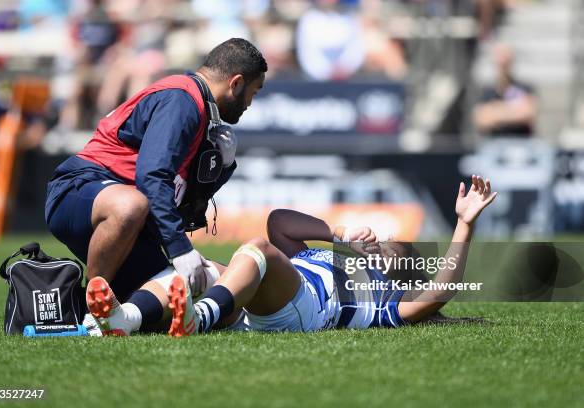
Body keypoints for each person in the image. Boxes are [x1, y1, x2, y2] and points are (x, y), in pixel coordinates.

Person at [84, 175, 496, 336]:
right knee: (201, 270)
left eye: (393, 249)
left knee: (258, 252)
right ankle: (124, 319)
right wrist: (340, 235)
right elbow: (279, 221)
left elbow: (440, 292)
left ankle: (201, 318)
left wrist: (465, 225)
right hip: (264, 300)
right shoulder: (332, 260)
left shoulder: (387, 303)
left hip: (306, 312)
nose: (384, 245)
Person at [45, 39, 267, 331]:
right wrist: (179, 248)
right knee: (130, 206)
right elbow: (151, 177)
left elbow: (184, 201)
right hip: (79, 190)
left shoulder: (199, 109)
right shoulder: (182, 99)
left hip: (133, 225)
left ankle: (120, 316)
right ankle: (93, 312)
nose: (250, 103)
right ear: (236, 83)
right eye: (254, 92)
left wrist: (224, 168)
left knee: (202, 288)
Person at [474, 43, 537, 137]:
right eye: (500, 58)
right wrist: (514, 110)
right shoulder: (486, 91)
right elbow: (481, 119)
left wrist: (495, 110)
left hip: (521, 142)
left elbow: (528, 114)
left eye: (505, 58)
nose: (503, 63)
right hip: (494, 143)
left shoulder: (525, 87)